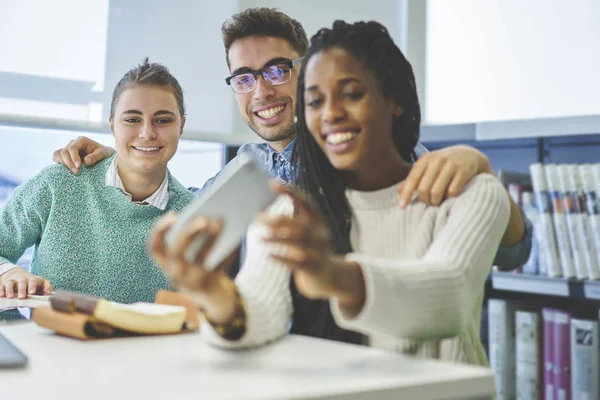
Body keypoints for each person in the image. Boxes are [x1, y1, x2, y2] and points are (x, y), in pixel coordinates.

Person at [50, 8, 532, 273]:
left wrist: (477, 168)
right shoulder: (247, 164)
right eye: (243, 78)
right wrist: (133, 157)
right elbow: (187, 216)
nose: (262, 91)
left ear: (309, 71)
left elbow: (510, 253)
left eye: (277, 70)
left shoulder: (360, 149)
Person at [149, 20, 510, 367]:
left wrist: (333, 273)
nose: (331, 114)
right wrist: (216, 295)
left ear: (394, 99)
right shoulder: (286, 205)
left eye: (351, 94)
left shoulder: (464, 188)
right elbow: (261, 313)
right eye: (316, 101)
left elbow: (449, 296)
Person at [0, 59, 194, 303]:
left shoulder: (193, 218)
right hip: (52, 340)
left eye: (163, 120)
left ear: (182, 126)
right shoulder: (58, 183)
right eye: (132, 119)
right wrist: (9, 272)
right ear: (112, 124)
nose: (147, 133)